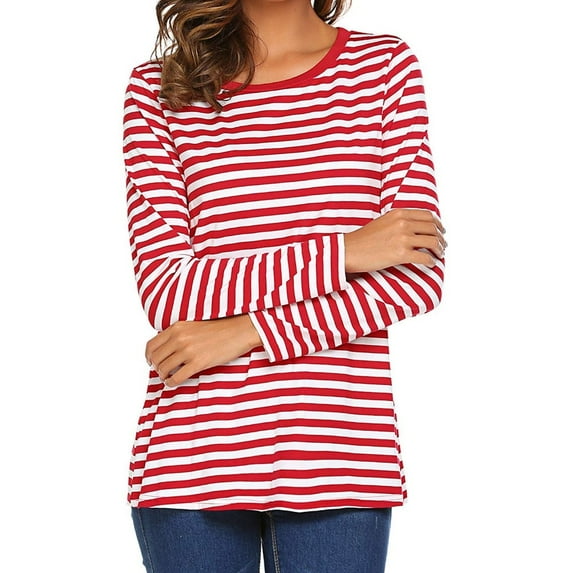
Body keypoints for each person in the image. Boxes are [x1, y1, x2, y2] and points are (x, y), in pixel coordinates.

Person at [123, 0, 446, 571]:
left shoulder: (384, 67)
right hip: (194, 455)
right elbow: (169, 289)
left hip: (339, 453)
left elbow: (414, 276)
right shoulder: (159, 89)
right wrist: (345, 252)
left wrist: (245, 331)